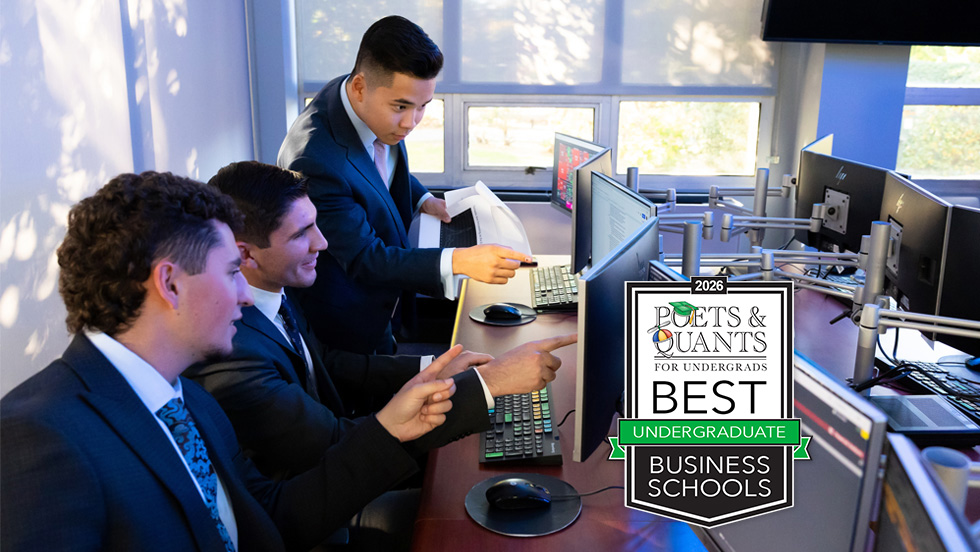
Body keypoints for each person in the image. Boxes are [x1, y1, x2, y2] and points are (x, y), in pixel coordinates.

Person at [0, 172, 461, 552]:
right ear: (170, 284)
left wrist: (394, 427)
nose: (245, 295)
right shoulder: (39, 436)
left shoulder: (189, 400)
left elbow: (272, 517)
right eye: (230, 273)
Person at [187, 161, 576, 482]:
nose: (322, 243)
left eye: (316, 225)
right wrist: (486, 385)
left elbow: (331, 364)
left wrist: (438, 367)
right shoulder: (232, 352)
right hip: (326, 489)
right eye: (301, 234)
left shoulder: (273, 293)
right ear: (246, 254)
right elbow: (333, 445)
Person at [278, 15, 530, 354]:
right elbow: (366, 258)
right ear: (359, 87)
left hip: (388, 300)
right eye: (402, 107)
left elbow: (376, 168)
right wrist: (459, 261)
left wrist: (421, 197)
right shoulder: (316, 163)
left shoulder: (365, 102)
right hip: (350, 320)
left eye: (423, 106)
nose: (411, 123)